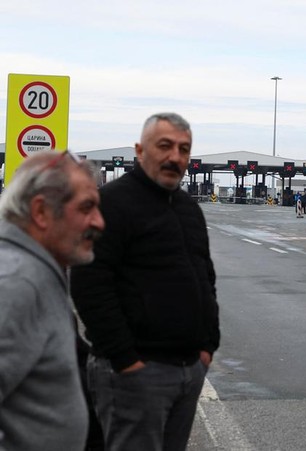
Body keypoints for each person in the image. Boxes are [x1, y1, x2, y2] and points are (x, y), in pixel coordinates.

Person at [71, 113, 220, 451]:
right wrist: (126, 360)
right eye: (164, 146)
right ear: (140, 150)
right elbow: (89, 283)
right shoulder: (111, 203)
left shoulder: (188, 209)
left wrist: (208, 346)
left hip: (188, 368)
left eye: (184, 149)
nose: (175, 157)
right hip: (134, 374)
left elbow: (205, 278)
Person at [0, 150, 104, 450]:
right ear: (41, 212)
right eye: (86, 208)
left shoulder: (35, 271)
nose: (99, 222)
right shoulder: (18, 283)